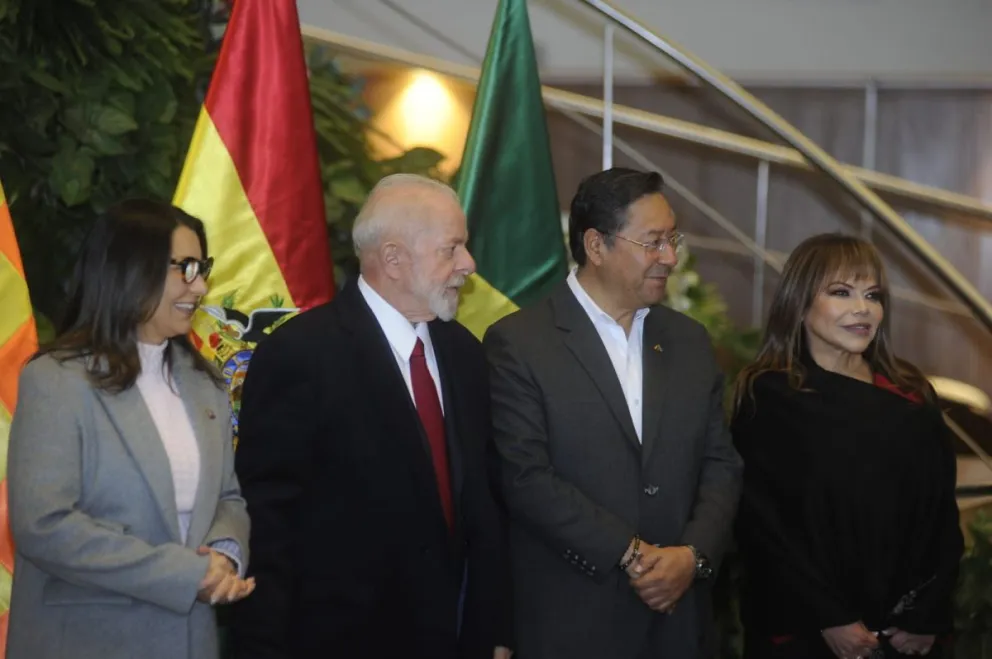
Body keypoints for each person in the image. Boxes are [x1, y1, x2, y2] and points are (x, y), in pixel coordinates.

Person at [229, 174, 512, 659]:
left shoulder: (464, 353)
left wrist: (496, 629)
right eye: (453, 249)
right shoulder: (301, 355)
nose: (469, 264)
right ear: (394, 259)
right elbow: (270, 522)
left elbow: (485, 504)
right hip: (337, 640)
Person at [484, 167, 743, 659]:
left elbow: (720, 464)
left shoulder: (688, 341)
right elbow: (525, 477)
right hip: (573, 621)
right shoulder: (520, 344)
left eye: (673, 239)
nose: (670, 256)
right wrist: (631, 555)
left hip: (678, 622)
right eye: (653, 242)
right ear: (596, 246)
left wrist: (691, 556)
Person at [7, 200, 253, 659]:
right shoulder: (56, 381)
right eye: (188, 268)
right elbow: (45, 525)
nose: (201, 286)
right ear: (131, 270)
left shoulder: (205, 385)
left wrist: (223, 553)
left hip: (189, 643)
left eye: (204, 268)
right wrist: (184, 575)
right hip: (85, 641)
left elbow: (228, 498)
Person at [731, 233, 963, 659]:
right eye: (841, 292)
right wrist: (830, 617)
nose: (863, 309)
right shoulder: (769, 395)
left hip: (907, 636)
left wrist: (925, 616)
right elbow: (762, 525)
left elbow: (940, 516)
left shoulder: (910, 392)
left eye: (872, 295)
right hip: (804, 632)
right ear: (800, 303)